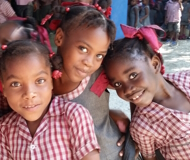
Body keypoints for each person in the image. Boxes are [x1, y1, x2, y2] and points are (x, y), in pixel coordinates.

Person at [103, 24, 190, 160]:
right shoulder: (143, 125)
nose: (127, 89)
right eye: (118, 84)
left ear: (155, 64)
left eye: (132, 75)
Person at [42, 4, 134, 159]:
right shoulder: (39, 80)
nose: (89, 62)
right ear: (59, 38)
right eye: (83, 49)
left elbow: (138, 86)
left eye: (99, 55)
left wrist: (134, 132)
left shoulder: (98, 76)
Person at [0, 40, 100, 159]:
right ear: (4, 88)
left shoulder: (74, 116)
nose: (29, 94)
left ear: (52, 81)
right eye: (16, 84)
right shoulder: (4, 127)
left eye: (40, 81)